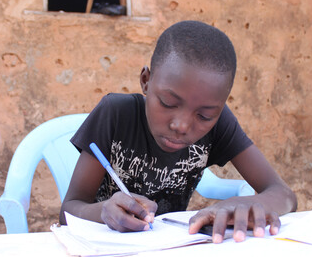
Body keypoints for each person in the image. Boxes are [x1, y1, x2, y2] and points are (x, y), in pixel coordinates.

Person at [59, 20, 297, 243]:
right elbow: (69, 210)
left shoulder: (220, 123)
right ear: (146, 80)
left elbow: (284, 195)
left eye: (204, 116)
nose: (181, 126)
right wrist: (103, 211)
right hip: (102, 246)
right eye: (168, 103)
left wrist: (241, 204)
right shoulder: (116, 114)